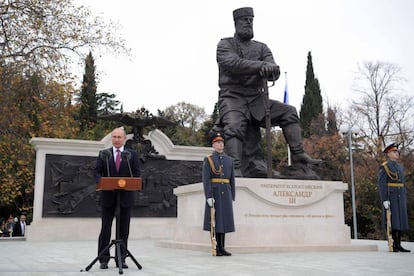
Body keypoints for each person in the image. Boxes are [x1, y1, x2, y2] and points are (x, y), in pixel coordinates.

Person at [215, 7, 321, 177]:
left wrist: (271, 71)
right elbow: (233, 64)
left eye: (251, 20)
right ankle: (234, 167)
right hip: (233, 97)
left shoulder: (262, 48)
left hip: (257, 99)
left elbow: (274, 69)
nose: (248, 23)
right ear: (236, 23)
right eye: (244, 20)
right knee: (234, 126)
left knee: (289, 112)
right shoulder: (225, 44)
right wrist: (261, 66)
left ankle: (298, 155)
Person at [95, 127, 141, 269]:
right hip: (108, 196)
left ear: (124, 139)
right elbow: (97, 172)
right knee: (106, 229)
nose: (116, 139)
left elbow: (137, 173)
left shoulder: (131, 155)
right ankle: (103, 259)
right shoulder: (104, 154)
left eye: (119, 137)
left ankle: (122, 258)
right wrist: (101, 182)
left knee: (123, 229)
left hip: (125, 197)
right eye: (114, 137)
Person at [202, 132, 235, 256]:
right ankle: (216, 247)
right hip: (214, 192)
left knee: (224, 221)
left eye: (221, 142)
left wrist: (232, 195)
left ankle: (223, 247)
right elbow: (206, 179)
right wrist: (208, 196)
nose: (220, 144)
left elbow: (232, 179)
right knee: (215, 221)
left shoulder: (229, 160)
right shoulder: (209, 159)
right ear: (213, 145)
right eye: (218, 142)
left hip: (226, 192)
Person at [378, 143, 410, 252]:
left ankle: (399, 244)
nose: (397, 154)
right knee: (393, 220)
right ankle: (393, 244)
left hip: (400, 195)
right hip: (391, 196)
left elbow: (402, 182)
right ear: (388, 154)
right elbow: (382, 184)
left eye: (397, 152)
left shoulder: (400, 167)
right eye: (394, 152)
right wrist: (384, 199)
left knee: (400, 220)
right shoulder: (384, 167)